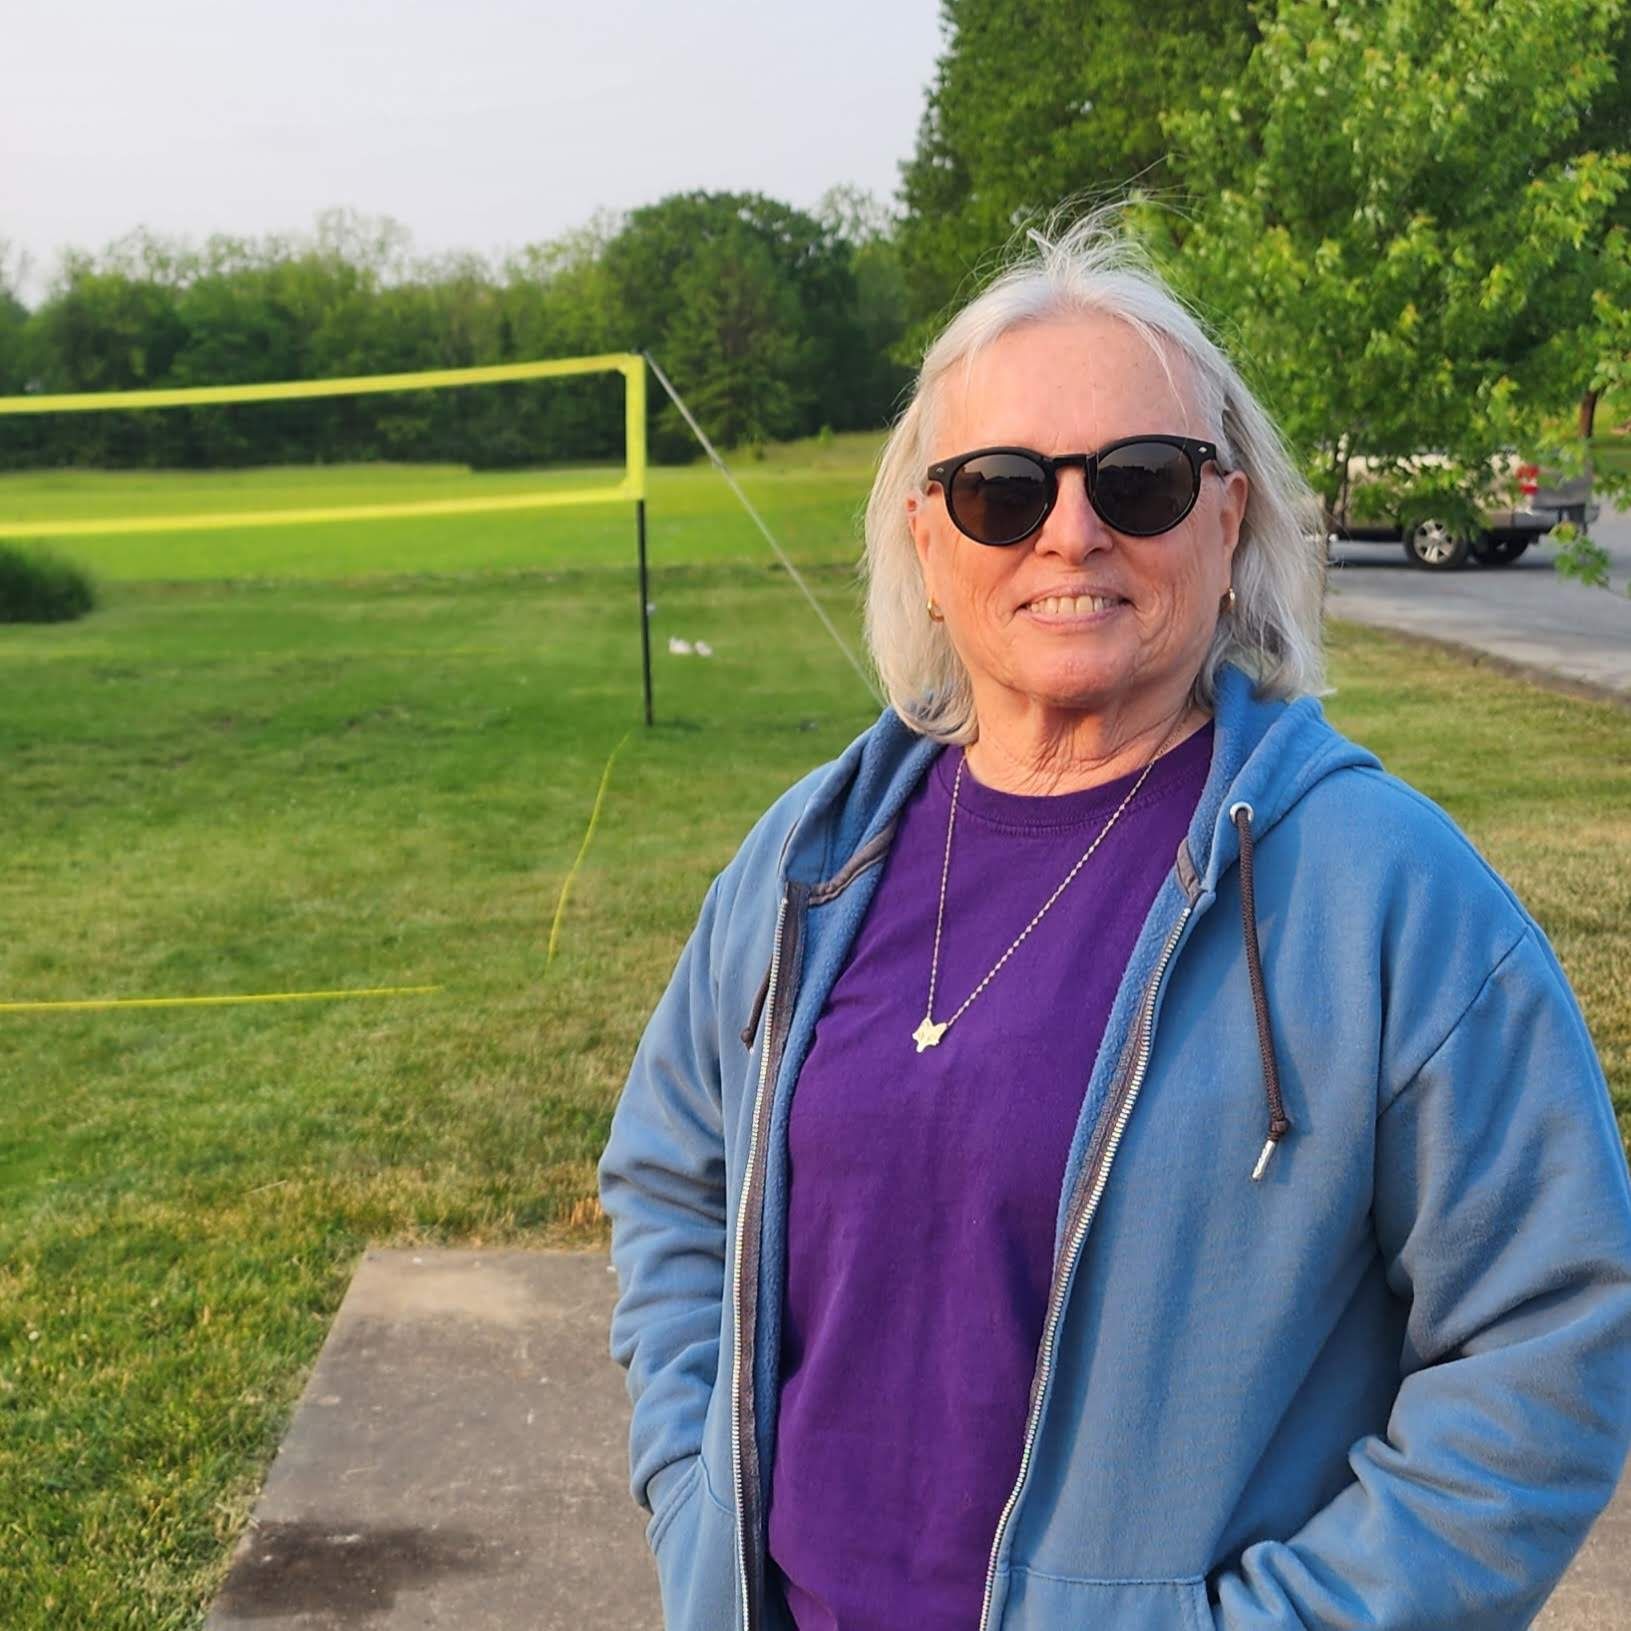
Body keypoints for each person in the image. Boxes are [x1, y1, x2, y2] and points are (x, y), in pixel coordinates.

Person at [597, 214, 1631, 1631]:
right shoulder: (810, 861)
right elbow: (669, 1174)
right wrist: (691, 1491)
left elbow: (1550, 1334)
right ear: (925, 529)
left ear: (1230, 514)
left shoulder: (1383, 891)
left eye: (1139, 481)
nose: (1070, 532)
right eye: (1002, 491)